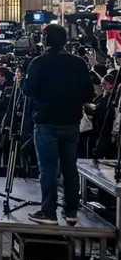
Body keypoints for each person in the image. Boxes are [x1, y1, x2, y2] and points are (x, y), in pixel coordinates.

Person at [24, 23, 94, 225]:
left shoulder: (39, 62)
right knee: (70, 167)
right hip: (71, 122)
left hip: (47, 122)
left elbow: (29, 91)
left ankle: (48, 211)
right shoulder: (79, 63)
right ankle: (71, 211)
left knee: (48, 169)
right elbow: (89, 94)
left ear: (45, 40)